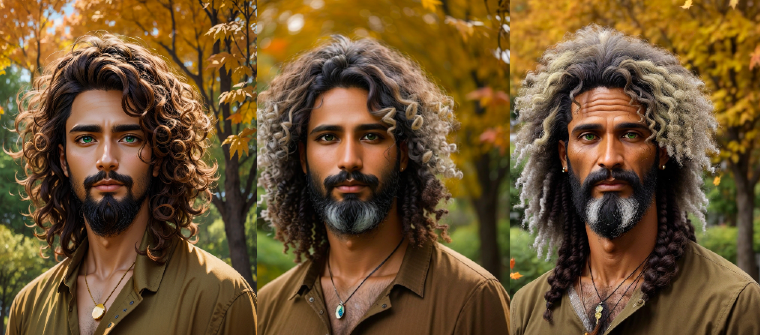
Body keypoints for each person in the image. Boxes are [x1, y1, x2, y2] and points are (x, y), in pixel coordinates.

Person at [511, 25, 760, 335]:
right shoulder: (526, 310)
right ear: (564, 155)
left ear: (663, 152)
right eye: (589, 136)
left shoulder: (730, 305)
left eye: (631, 134)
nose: (610, 157)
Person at [256, 35, 510, 335]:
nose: (349, 160)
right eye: (328, 137)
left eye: (371, 136)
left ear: (403, 154)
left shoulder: (472, 298)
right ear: (302, 158)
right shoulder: (267, 308)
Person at [5, 34, 256, 335]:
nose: (107, 159)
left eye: (129, 138)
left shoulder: (221, 298)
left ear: (159, 155)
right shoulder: (28, 308)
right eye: (86, 139)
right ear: (63, 158)